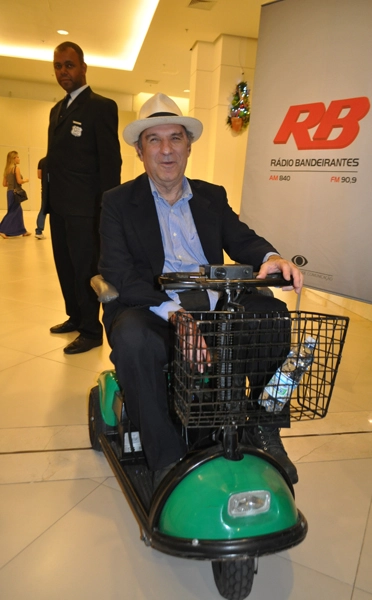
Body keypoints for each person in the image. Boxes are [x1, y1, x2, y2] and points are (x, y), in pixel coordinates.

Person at [98, 93, 304, 488]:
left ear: (188, 145)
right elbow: (119, 272)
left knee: (270, 313)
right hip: (153, 308)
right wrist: (177, 317)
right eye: (154, 140)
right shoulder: (118, 203)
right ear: (140, 151)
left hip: (212, 305)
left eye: (175, 138)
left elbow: (242, 239)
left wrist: (272, 256)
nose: (166, 150)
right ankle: (166, 457)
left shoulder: (211, 196)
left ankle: (264, 427)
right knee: (133, 338)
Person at [45, 41, 122, 354]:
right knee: (65, 267)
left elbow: (110, 161)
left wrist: (107, 209)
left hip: (87, 209)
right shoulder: (56, 110)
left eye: (69, 65)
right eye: (58, 66)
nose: (63, 71)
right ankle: (75, 317)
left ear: (83, 67)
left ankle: (91, 331)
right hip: (59, 207)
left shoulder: (101, 106)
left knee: (85, 270)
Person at [0, 151, 31, 239]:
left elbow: (4, 184)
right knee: (13, 212)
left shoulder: (7, 169)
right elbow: (19, 181)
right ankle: (2, 229)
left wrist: (11, 184)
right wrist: (25, 180)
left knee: (17, 211)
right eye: (17, 157)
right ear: (13, 159)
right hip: (15, 193)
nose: (19, 158)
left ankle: (22, 231)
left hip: (9, 192)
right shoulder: (16, 168)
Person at [35, 157, 47, 239]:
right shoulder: (57, 160)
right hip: (57, 189)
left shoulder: (42, 161)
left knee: (43, 209)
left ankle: (39, 231)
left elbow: (39, 176)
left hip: (45, 188)